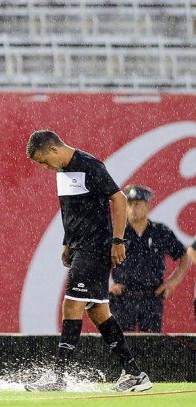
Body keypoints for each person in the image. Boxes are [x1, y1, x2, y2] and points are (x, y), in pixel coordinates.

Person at [24, 130, 151, 393]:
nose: (46, 168)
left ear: (54, 150)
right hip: (80, 247)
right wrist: (66, 241)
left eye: (44, 161)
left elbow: (119, 198)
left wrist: (118, 241)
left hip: (96, 248)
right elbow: (70, 210)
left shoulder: (89, 165)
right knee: (99, 313)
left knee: (72, 305)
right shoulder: (62, 173)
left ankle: (58, 377)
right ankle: (135, 374)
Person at [109, 185, 190, 332]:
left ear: (147, 206)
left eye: (138, 204)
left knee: (151, 344)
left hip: (152, 296)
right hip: (122, 297)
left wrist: (172, 282)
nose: (133, 208)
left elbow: (185, 256)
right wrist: (106, 285)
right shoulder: (117, 233)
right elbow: (96, 259)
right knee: (122, 345)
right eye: (130, 204)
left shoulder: (160, 232)